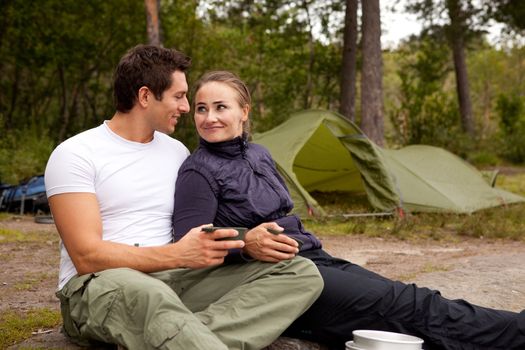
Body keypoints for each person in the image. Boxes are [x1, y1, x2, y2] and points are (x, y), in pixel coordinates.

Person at [173, 70, 525, 350]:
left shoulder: (259, 154)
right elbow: (191, 245)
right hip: (277, 282)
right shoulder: (198, 170)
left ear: (244, 112)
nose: (209, 118)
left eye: (221, 107)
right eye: (202, 109)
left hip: (315, 258)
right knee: (410, 307)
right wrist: (245, 242)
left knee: (411, 301)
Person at [44, 45, 323, 350]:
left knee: (299, 272)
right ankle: (176, 335)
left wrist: (246, 240)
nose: (188, 108)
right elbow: (87, 257)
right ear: (145, 96)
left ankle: (179, 336)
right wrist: (178, 254)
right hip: (101, 283)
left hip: (175, 278)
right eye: (179, 97)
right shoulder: (76, 154)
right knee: (150, 296)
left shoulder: (176, 151)